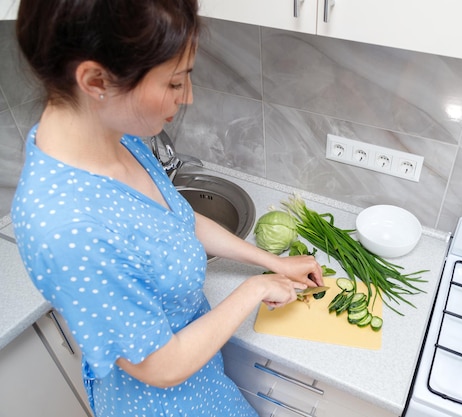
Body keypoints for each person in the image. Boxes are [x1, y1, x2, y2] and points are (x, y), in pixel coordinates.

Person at [10, 1, 324, 416]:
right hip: (160, 404)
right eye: (175, 83)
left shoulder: (115, 135)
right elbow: (160, 365)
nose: (187, 97)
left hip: (203, 376)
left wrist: (270, 263)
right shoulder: (66, 227)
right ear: (96, 79)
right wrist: (256, 288)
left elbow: (178, 220)